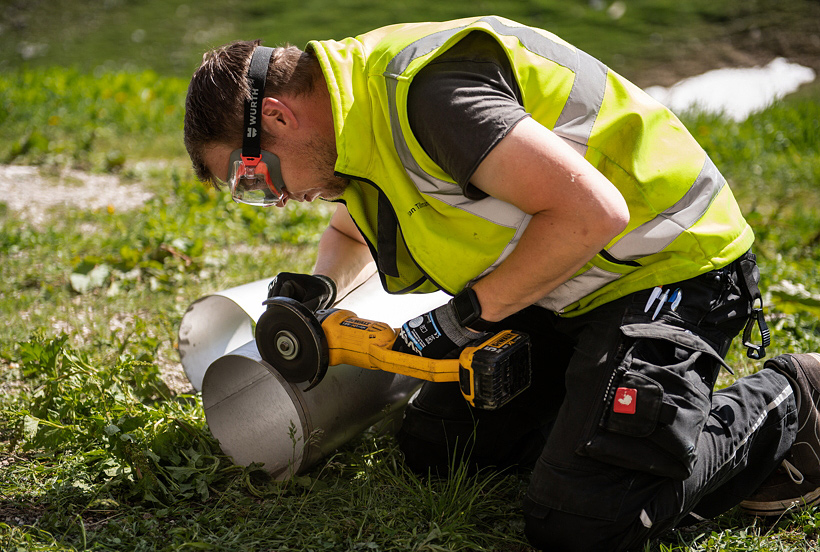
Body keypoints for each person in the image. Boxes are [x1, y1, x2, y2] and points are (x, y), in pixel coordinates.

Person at [183, 15, 820, 551]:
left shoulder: (428, 97)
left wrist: (463, 317)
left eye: (253, 178)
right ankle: (602, 425)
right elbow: (350, 233)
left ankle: (796, 393)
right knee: (437, 448)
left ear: (278, 116)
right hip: (566, 282)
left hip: (667, 267)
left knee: (582, 526)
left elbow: (593, 213)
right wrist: (320, 293)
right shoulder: (350, 121)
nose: (276, 197)